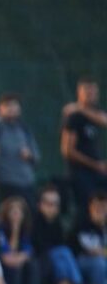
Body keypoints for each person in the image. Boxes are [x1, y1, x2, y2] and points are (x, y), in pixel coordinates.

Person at [61, 77, 107, 212]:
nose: (91, 95)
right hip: (80, 173)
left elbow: (104, 120)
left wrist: (80, 109)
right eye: (87, 92)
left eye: (93, 92)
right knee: (86, 209)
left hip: (97, 172)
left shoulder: (91, 113)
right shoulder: (74, 117)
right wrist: (95, 165)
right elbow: (67, 150)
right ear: (79, 93)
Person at [0, 93, 40, 206]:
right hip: (5, 183)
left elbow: (36, 157)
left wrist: (29, 155)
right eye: (7, 105)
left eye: (14, 105)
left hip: (27, 182)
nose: (11, 109)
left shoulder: (24, 128)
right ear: (0, 108)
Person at [33, 185, 83, 284]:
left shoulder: (57, 223)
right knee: (63, 252)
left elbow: (63, 243)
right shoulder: (33, 222)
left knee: (62, 261)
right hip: (40, 261)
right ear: (40, 204)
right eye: (49, 203)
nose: (52, 207)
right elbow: (40, 248)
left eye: (55, 204)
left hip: (56, 260)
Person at [0, 197, 40, 284]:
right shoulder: (0, 229)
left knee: (32, 263)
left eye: (19, 210)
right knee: (15, 265)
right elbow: (7, 252)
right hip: (4, 266)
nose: (16, 213)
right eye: (13, 210)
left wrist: (20, 258)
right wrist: (15, 229)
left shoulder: (26, 229)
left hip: (20, 263)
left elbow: (28, 251)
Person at [70, 192, 107, 284]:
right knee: (99, 263)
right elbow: (92, 251)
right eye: (97, 207)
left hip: (101, 258)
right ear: (90, 207)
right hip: (79, 261)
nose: (100, 210)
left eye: (103, 207)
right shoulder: (83, 223)